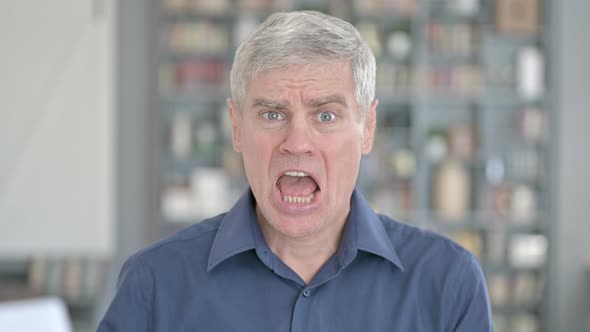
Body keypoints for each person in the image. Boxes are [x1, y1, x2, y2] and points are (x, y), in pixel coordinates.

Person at [98, 10, 493, 331]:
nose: (297, 142)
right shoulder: (154, 282)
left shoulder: (447, 282)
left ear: (367, 128)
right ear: (236, 127)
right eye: (272, 113)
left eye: (325, 114)